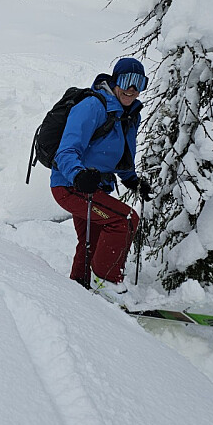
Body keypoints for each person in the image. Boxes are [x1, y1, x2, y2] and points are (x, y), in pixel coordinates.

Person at [50, 57, 152, 301]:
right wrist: (78, 174)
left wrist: (132, 180)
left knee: (93, 242)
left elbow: (121, 155)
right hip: (71, 185)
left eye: (139, 84)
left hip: (96, 187)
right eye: (127, 81)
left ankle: (80, 293)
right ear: (115, 80)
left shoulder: (129, 115)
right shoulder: (92, 106)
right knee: (125, 220)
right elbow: (66, 150)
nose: (132, 89)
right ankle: (106, 284)